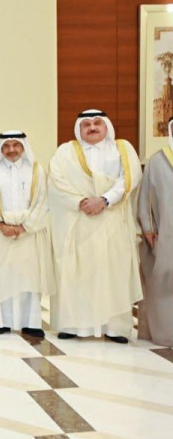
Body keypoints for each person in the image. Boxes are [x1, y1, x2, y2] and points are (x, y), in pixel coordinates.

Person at [49, 110, 142, 342]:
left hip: (112, 222)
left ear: (106, 126)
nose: (92, 128)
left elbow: (130, 178)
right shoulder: (65, 152)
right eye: (86, 124)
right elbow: (56, 182)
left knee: (114, 274)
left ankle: (116, 328)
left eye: (97, 123)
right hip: (78, 222)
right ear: (79, 129)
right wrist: (81, 202)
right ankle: (73, 326)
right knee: (76, 274)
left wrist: (104, 200)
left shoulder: (122, 148)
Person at [0, 132, 52, 337]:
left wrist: (24, 227)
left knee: (29, 277)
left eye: (16, 145)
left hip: (28, 232)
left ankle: (31, 322)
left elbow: (43, 201)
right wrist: (1, 224)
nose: (11, 150)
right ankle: (0, 322)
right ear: (1, 148)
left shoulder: (37, 170)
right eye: (6, 146)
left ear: (23, 146)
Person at [139, 120, 173, 345]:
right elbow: (146, 197)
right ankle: (165, 333)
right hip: (166, 233)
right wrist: (148, 227)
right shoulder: (158, 160)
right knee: (164, 282)